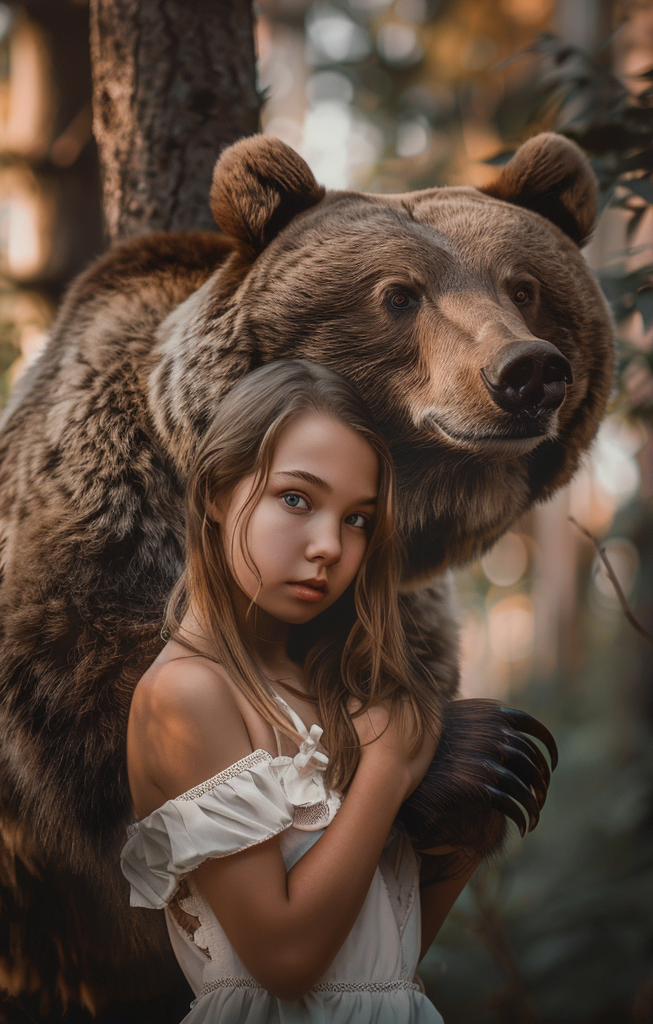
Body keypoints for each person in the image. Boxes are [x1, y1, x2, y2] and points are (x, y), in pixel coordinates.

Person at [121, 359, 480, 1023]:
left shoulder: (337, 697)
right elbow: (285, 963)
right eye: (296, 499)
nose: (328, 547)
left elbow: (376, 968)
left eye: (357, 519)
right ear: (218, 493)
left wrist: (463, 838)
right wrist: (388, 770)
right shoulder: (188, 694)